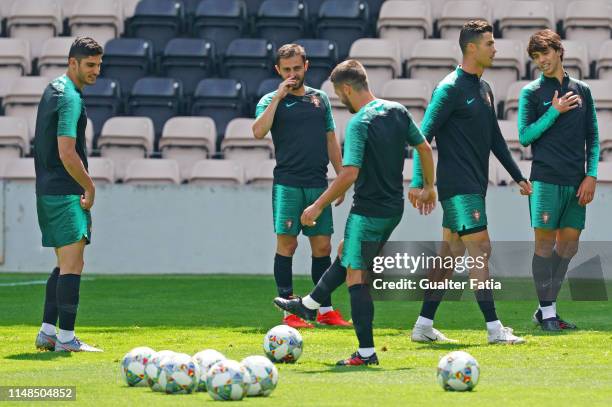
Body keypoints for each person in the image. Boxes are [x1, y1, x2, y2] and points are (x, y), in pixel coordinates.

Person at [274, 60, 436, 365]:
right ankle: (310, 304)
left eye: (339, 94)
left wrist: (317, 205)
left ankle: (365, 352)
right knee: (345, 253)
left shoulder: (360, 123)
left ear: (347, 88)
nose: (340, 100)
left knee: (355, 277)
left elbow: (349, 174)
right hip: (392, 208)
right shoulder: (398, 111)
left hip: (369, 209)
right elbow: (425, 149)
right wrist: (429, 186)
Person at [408, 20, 531, 345]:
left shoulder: (484, 88)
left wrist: (517, 175)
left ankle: (422, 326)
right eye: (490, 43)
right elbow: (423, 135)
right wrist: (421, 182)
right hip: (457, 186)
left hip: (473, 185)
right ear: (472, 48)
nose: (495, 48)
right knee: (482, 249)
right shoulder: (449, 88)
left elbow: (494, 139)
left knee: (449, 256)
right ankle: (494, 330)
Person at [252, 44, 350, 328]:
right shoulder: (271, 99)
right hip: (287, 183)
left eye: (297, 68)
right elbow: (258, 132)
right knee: (288, 244)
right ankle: (289, 311)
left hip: (318, 183)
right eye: (286, 70)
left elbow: (331, 139)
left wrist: (341, 178)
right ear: (278, 71)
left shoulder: (320, 99)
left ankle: (324, 309)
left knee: (322, 246)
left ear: (306, 66)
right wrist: (279, 97)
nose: (292, 74)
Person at [519, 29, 599, 331]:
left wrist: (591, 175)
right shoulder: (531, 93)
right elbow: (525, 137)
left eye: (545, 54)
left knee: (568, 247)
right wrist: (553, 111)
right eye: (536, 57)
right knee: (543, 246)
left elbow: (592, 136)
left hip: (576, 181)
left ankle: (545, 309)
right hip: (544, 180)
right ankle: (549, 312)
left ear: (558, 51)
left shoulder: (583, 90)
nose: (542, 61)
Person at [34, 37, 103, 352]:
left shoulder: (53, 88)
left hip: (47, 189)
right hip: (65, 192)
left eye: (99, 65)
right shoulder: (71, 98)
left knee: (64, 264)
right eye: (90, 65)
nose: (96, 71)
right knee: (73, 265)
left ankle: (48, 332)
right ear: (72, 62)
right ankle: (66, 338)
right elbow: (66, 151)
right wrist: (88, 185)